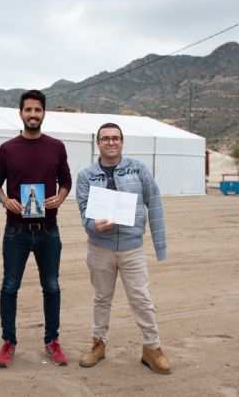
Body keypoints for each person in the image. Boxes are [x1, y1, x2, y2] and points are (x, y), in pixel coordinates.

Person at [75, 122, 171, 374]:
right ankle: (98, 344)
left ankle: (152, 348)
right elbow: (84, 213)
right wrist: (94, 226)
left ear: (122, 141)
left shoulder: (138, 169)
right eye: (105, 138)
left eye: (115, 138)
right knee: (101, 298)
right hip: (99, 248)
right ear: (98, 143)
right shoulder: (86, 175)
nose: (110, 142)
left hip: (132, 248)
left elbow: (155, 204)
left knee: (141, 299)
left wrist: (161, 247)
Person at [0, 89, 72, 368]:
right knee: (9, 287)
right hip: (16, 232)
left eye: (37, 110)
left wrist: (60, 197)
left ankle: (52, 341)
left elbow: (66, 182)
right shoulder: (7, 149)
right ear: (20, 113)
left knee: (52, 287)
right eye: (28, 110)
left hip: (49, 229)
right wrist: (5, 200)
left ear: (44, 113)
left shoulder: (57, 147)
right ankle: (8, 342)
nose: (33, 114)